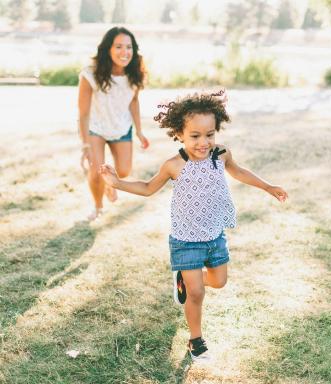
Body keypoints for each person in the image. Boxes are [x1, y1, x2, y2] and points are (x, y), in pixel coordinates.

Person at [100, 91, 288, 362]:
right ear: (179, 133)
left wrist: (268, 186)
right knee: (197, 293)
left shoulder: (221, 155)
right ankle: (195, 340)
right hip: (186, 239)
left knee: (219, 282)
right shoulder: (174, 165)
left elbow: (239, 171)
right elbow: (148, 188)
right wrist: (117, 183)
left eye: (209, 134)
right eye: (195, 136)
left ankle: (185, 281)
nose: (204, 142)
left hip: (214, 235)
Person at [78, 26, 149, 221]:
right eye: (118, 46)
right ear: (108, 48)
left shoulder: (136, 73)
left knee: (124, 171)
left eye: (128, 47)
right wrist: (85, 144)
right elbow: (83, 113)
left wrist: (139, 131)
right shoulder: (90, 74)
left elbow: (133, 101)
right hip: (96, 129)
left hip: (122, 128)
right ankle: (98, 206)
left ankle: (110, 183)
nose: (124, 52)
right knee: (95, 172)